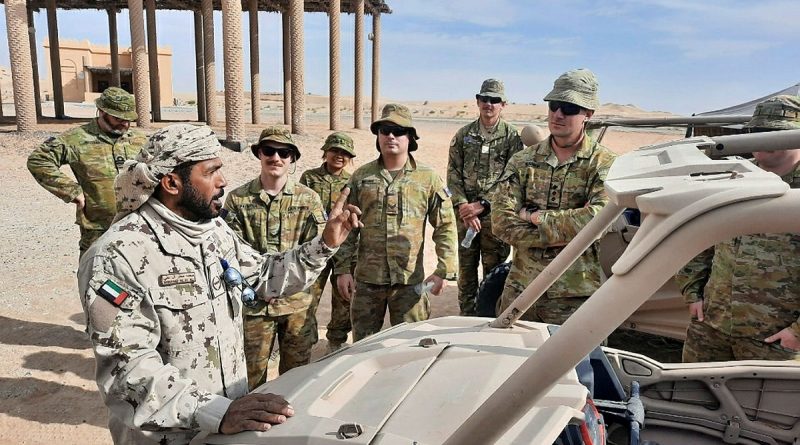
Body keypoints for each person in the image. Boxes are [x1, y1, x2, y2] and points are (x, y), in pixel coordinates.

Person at [77, 123, 362, 445]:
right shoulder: (117, 256)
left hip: (227, 424)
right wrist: (215, 412)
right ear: (171, 182)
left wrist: (325, 243)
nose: (223, 182)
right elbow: (126, 371)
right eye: (211, 172)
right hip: (172, 434)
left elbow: (265, 276)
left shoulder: (212, 232)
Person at [677, 95, 800, 362]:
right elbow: (700, 236)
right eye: (756, 132)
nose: (762, 140)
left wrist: (797, 333)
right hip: (711, 324)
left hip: (775, 338)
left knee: (761, 404)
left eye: (772, 132)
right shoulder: (735, 177)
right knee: (693, 395)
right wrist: (692, 293)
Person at [490, 69, 617, 323]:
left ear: (588, 114)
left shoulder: (603, 163)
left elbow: (598, 222)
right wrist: (567, 231)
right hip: (520, 293)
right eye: (555, 105)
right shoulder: (524, 161)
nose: (558, 114)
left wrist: (532, 217)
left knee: (573, 364)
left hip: (573, 299)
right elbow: (501, 223)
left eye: (569, 108)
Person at [335, 104, 458, 341]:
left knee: (411, 348)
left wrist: (445, 269)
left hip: (409, 283)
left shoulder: (427, 178)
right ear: (378, 136)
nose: (391, 136)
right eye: (385, 130)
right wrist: (342, 270)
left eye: (398, 131)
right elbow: (346, 228)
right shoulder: (362, 177)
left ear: (410, 137)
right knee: (363, 347)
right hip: (368, 282)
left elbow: (445, 226)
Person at [223, 127, 326, 387]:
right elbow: (229, 251)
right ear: (259, 154)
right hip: (254, 305)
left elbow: (317, 251)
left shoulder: (308, 200)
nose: (276, 158)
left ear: (292, 158)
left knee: (296, 379)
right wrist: (257, 286)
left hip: (297, 304)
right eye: (269, 151)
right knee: (249, 377)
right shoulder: (237, 199)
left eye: (284, 152)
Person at [27, 87, 148, 255]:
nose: (125, 124)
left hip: (139, 225)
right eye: (118, 118)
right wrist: (71, 191)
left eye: (128, 119)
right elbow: (38, 160)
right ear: (101, 112)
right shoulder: (75, 138)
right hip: (97, 228)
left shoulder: (141, 140)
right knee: (95, 276)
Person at [447, 79, 525, 316]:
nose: (488, 104)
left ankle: (488, 318)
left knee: (494, 273)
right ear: (478, 101)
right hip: (465, 218)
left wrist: (483, 204)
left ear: (503, 104)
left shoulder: (512, 137)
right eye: (485, 99)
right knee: (466, 272)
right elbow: (452, 175)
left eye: (494, 100)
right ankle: (466, 317)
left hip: (496, 219)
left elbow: (513, 177)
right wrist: (463, 206)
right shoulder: (463, 135)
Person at [299, 132, 357, 351]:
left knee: (343, 299)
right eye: (335, 151)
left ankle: (336, 341)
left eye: (344, 153)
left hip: (343, 248)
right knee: (307, 296)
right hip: (315, 245)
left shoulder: (353, 181)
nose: (339, 156)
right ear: (326, 152)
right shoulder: (309, 177)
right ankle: (305, 341)